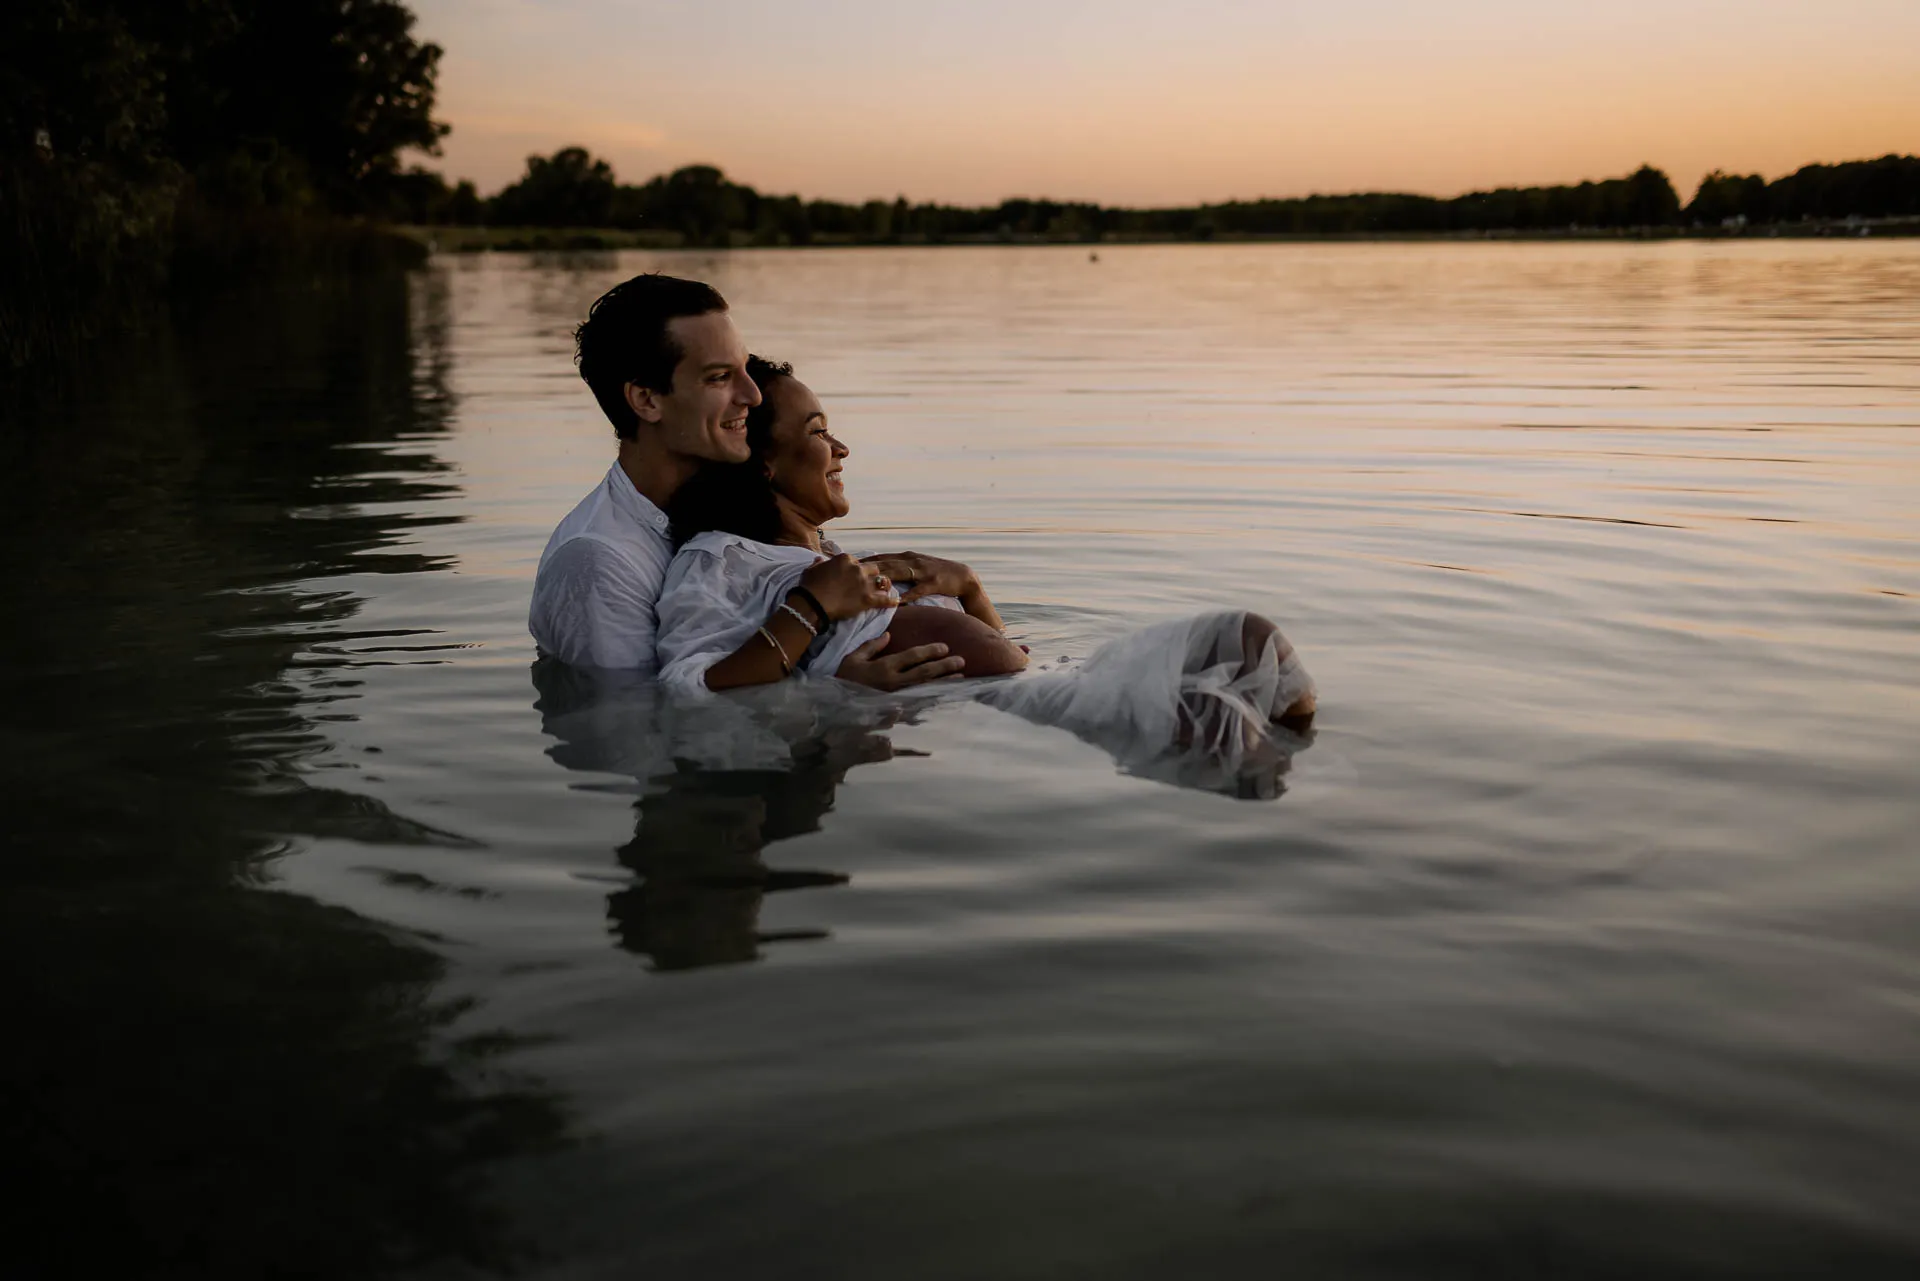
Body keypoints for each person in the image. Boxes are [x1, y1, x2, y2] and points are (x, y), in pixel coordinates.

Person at [655, 356, 1316, 779]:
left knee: (1254, 643)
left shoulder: (832, 561)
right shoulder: (719, 555)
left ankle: (1329, 795)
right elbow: (690, 689)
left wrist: (969, 587)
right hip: (1006, 711)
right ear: (764, 463)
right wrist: (815, 625)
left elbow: (1005, 652)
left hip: (1049, 678)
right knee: (1224, 726)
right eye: (820, 430)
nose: (841, 447)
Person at [528, 273, 962, 692]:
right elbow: (636, 722)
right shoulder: (598, 563)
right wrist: (841, 695)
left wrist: (962, 586)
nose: (752, 395)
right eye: (719, 377)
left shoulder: (744, 512)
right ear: (646, 400)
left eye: (743, 369)